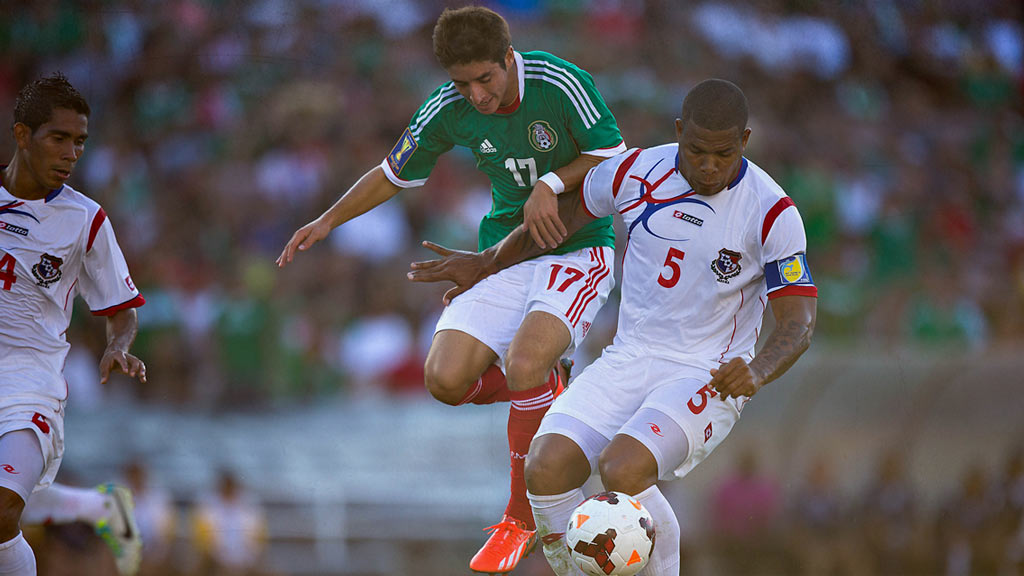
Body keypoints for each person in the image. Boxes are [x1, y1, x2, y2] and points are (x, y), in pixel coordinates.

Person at [408, 78, 818, 575]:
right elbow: (561, 221)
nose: (709, 165)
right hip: (629, 355)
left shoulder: (772, 211)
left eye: (723, 154)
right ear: (678, 131)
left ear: (745, 142)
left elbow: (798, 322)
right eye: (696, 150)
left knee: (622, 469)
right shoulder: (635, 171)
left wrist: (756, 370)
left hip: (705, 372)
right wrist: (489, 261)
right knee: (546, 467)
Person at [277, 6, 626, 572]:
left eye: (485, 79)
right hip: (501, 253)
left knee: (525, 361)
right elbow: (393, 172)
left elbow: (614, 154)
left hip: (577, 247)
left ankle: (522, 518)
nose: (477, 95)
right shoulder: (449, 106)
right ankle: (547, 387)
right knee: (443, 379)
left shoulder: (559, 80)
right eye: (463, 83)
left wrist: (552, 182)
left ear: (509, 58)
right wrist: (327, 221)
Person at [0, 73, 146, 575]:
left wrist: (118, 344)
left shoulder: (85, 219)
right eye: (58, 138)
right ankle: (97, 507)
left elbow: (121, 310)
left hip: (29, 378)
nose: (71, 153)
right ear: (23, 135)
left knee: (2, 511)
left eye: (79, 142)